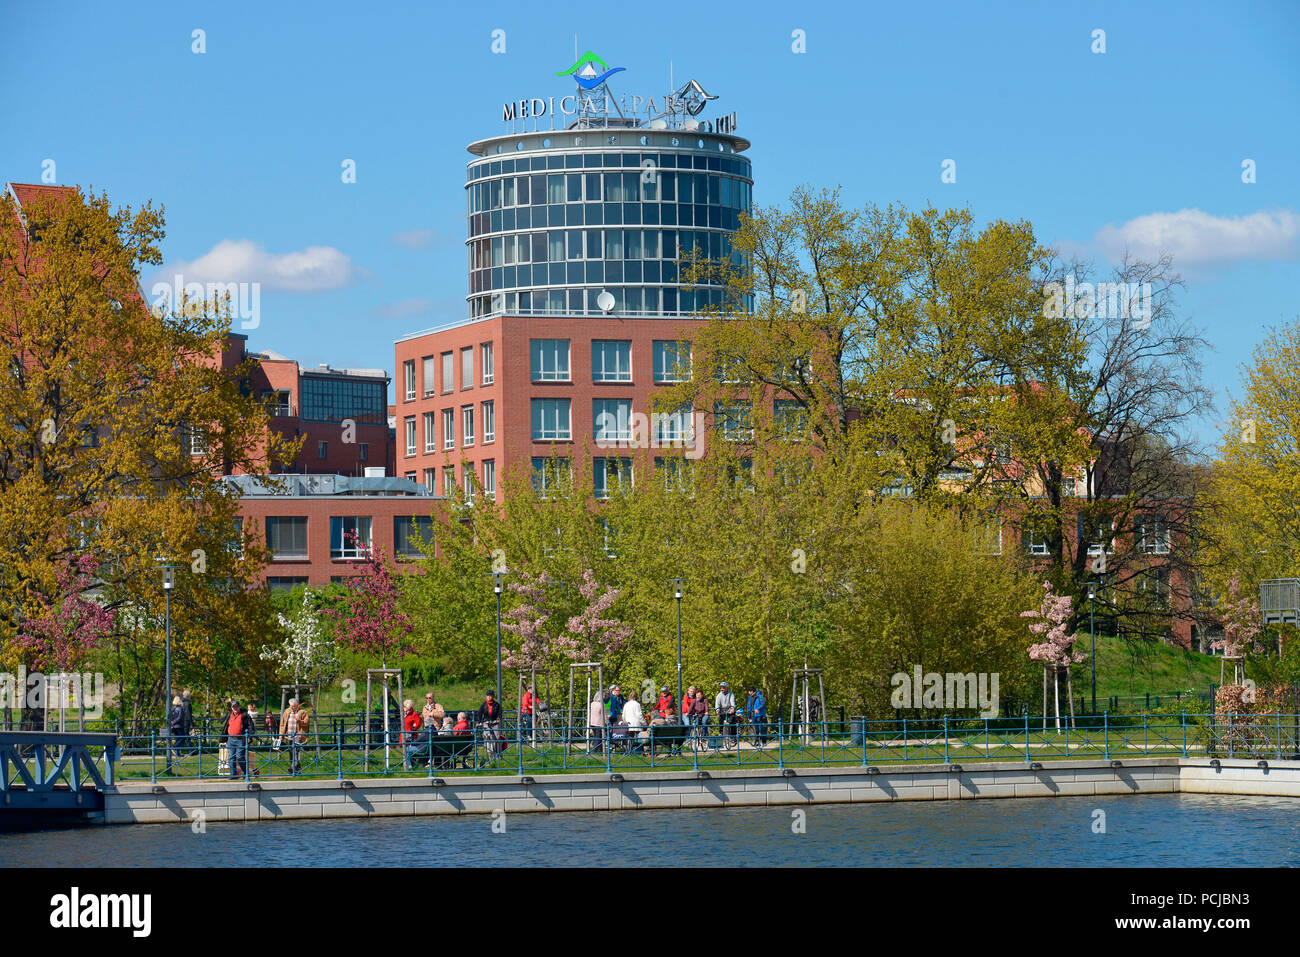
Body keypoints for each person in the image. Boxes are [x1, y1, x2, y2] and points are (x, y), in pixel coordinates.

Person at [221, 700, 254, 779]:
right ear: (231, 708)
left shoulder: (245, 715)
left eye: (236, 706)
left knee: (240, 757)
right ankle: (233, 775)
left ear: (239, 707)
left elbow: (251, 727)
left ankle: (246, 773)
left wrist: (249, 737)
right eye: (233, 707)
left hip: (240, 739)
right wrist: (224, 739)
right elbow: (226, 726)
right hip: (231, 739)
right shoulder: (229, 715)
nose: (235, 708)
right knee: (231, 757)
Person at [477, 690, 504, 758]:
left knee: (497, 737)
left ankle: (499, 754)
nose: (489, 697)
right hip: (486, 722)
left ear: (493, 696)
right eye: (488, 696)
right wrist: (479, 721)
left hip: (494, 722)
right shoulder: (484, 704)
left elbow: (500, 713)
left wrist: (498, 719)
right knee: (488, 737)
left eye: (490, 695)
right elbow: (480, 713)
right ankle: (489, 753)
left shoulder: (496, 705)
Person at [280, 698, 303, 774]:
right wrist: (281, 735)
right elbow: (283, 723)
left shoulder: (301, 712)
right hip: (288, 735)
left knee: (296, 751)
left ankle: (294, 768)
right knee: (291, 751)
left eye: (294, 706)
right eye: (291, 706)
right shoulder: (287, 711)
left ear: (297, 705)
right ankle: (296, 767)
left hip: (298, 735)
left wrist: (300, 721)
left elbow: (306, 722)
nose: (292, 708)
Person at [716, 682, 738, 749]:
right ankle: (721, 733)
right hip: (722, 710)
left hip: (729, 710)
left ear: (726, 688)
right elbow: (717, 703)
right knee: (720, 720)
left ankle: (733, 736)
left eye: (723, 687)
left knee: (732, 721)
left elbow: (732, 702)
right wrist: (717, 710)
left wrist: (732, 708)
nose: (722, 689)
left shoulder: (731, 694)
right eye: (721, 687)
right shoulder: (719, 695)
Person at [168, 696, 185, 762]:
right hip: (179, 725)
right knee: (182, 738)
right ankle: (175, 748)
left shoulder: (172, 708)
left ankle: (178, 752)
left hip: (173, 726)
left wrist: (171, 723)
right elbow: (180, 717)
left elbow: (170, 717)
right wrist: (174, 722)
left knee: (177, 738)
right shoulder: (180, 708)